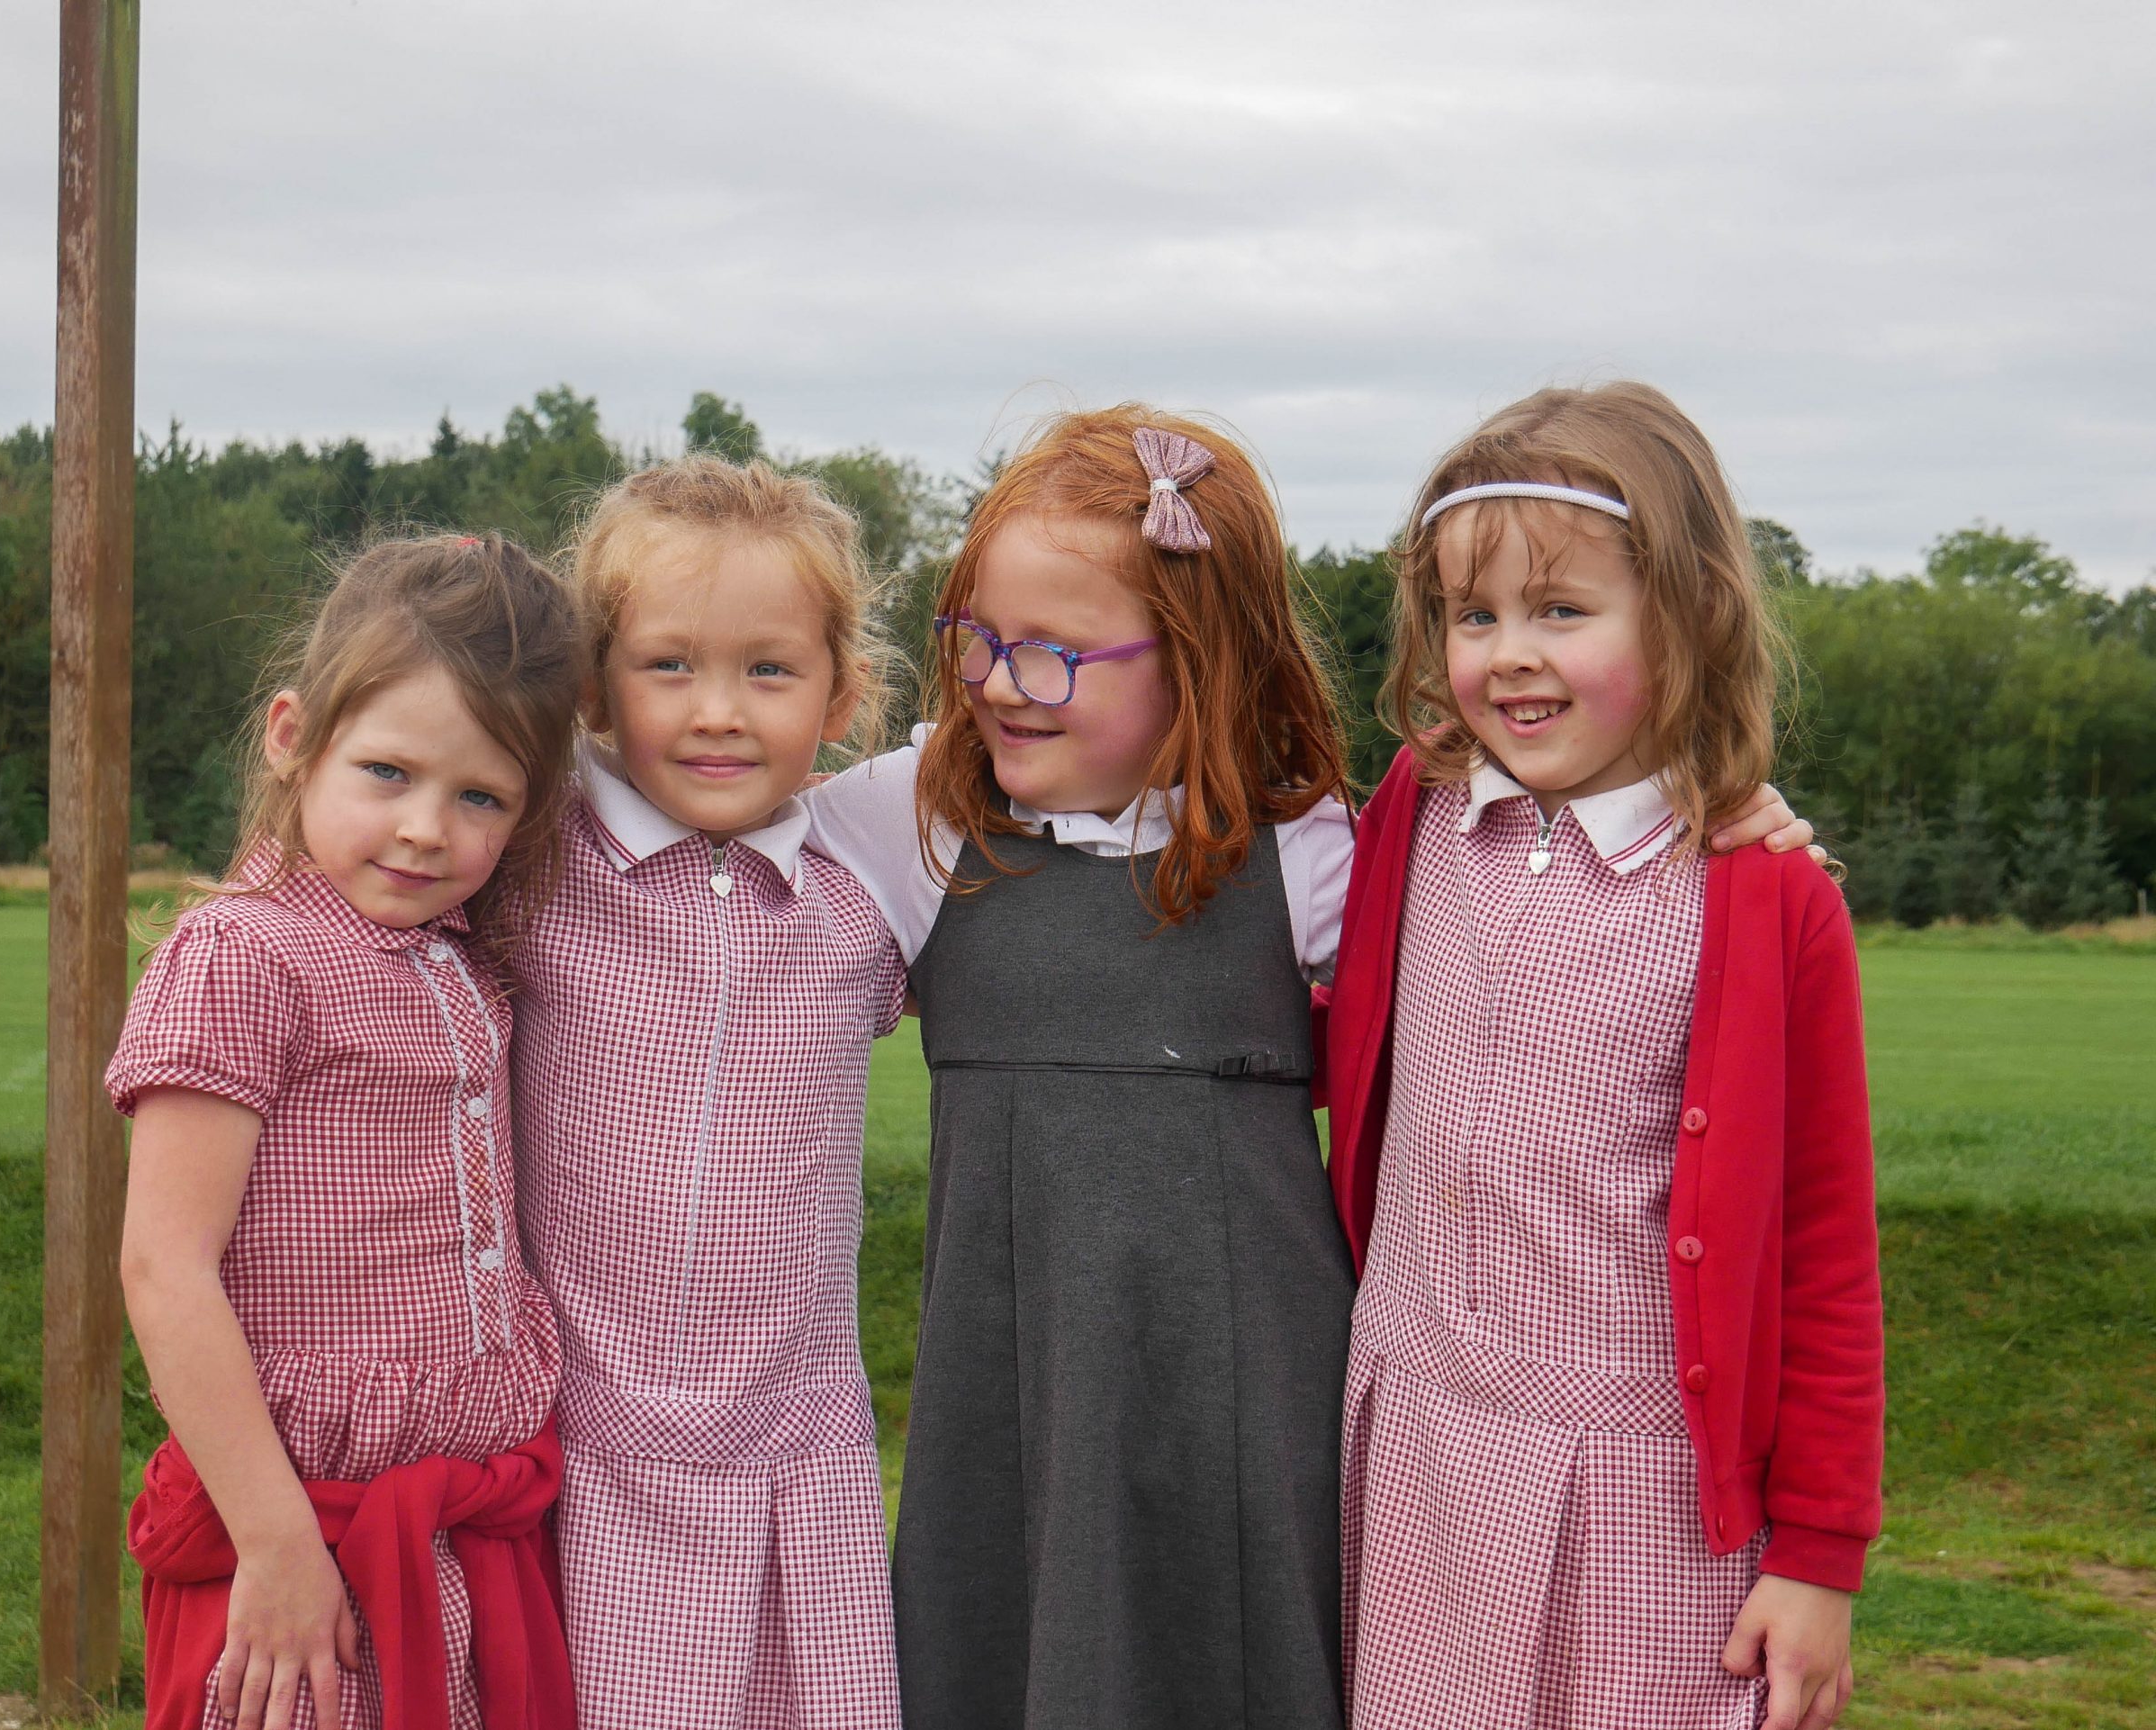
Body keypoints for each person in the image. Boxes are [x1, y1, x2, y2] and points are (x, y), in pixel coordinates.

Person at [807, 402, 1817, 1729]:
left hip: (1260, 1411)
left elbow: (1516, 900)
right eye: (978, 638)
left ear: (1196, 660)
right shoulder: (916, 822)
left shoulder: (1316, 850)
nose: (1000, 680)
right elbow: (716, 826)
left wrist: (1718, 809)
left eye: (1055, 652)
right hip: (1016, 1409)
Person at [1322, 383, 1883, 1730]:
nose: (1511, 653)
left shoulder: (1763, 894)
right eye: (1476, 614)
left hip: (1643, 1485)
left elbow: (1824, 1248)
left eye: (1561, 610)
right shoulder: (1414, 811)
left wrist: (1818, 1556)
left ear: (1686, 615)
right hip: (1418, 1450)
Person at [113, 534, 584, 1730]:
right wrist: (275, 1546)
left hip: (459, 1520)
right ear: (292, 736)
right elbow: (164, 1266)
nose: (428, 827)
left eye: (480, 796)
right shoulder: (243, 954)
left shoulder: (461, 958)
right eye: (387, 771)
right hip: (295, 1518)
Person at [510, 456, 907, 1730]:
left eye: (770, 670)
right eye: (668, 664)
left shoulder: (877, 879)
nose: (718, 711)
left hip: (792, 1454)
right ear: (590, 683)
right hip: (575, 1448)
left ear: (845, 693)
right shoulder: (532, 855)